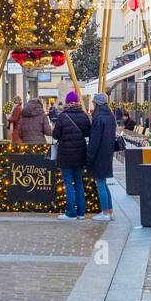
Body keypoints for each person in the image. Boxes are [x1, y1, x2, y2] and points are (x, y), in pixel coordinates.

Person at [51, 91, 91, 220]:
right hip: (80, 154)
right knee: (79, 183)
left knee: (68, 183)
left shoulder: (63, 117)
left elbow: (55, 135)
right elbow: (87, 132)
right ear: (78, 102)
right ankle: (81, 212)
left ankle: (70, 212)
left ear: (67, 102)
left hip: (66, 155)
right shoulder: (84, 115)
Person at [86, 93, 118, 221]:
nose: (93, 104)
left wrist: (89, 157)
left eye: (94, 102)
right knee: (103, 183)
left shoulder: (98, 118)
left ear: (97, 103)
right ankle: (109, 211)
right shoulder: (110, 116)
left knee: (100, 183)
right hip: (108, 152)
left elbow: (94, 141)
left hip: (99, 154)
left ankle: (105, 212)